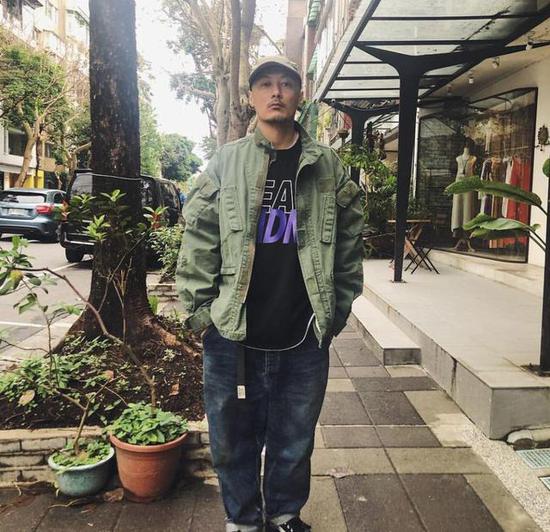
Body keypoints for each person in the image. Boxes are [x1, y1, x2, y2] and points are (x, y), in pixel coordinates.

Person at [176, 55, 364, 532]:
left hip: (303, 333)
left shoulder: (327, 166)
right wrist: (202, 314)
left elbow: (349, 244)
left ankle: (283, 515)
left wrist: (336, 311)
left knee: (294, 439)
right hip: (233, 332)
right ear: (252, 97)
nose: (276, 92)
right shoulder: (227, 161)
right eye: (265, 84)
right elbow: (198, 238)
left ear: (300, 96)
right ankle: (242, 521)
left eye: (286, 84)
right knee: (231, 440)